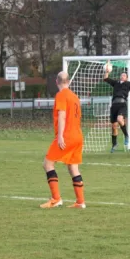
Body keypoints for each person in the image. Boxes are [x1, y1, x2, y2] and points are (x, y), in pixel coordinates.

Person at [40, 71, 85, 209]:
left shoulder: (61, 95)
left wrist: (60, 136)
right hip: (78, 136)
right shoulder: (74, 96)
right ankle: (80, 202)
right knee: (73, 167)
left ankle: (56, 199)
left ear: (56, 82)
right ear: (69, 81)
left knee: (47, 164)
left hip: (67, 136)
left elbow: (62, 115)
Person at [103, 61, 130, 153]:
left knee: (120, 119)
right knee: (114, 126)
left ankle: (126, 135)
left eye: (124, 75)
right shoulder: (116, 83)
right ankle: (114, 144)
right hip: (114, 105)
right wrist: (107, 71)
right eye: (121, 75)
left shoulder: (128, 84)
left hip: (122, 104)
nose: (122, 76)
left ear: (127, 78)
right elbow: (105, 78)